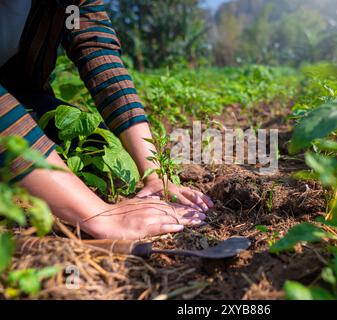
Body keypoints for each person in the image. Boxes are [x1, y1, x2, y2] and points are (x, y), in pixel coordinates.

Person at [0, 0, 213, 239]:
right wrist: (98, 214)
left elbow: (96, 49)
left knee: (96, 150)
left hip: (19, 95)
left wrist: (153, 175)